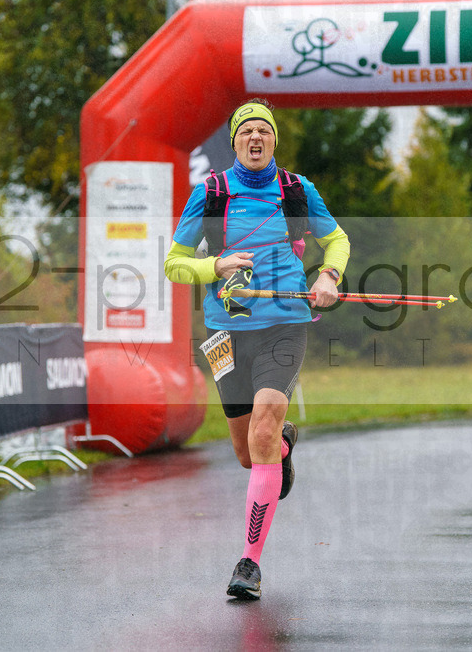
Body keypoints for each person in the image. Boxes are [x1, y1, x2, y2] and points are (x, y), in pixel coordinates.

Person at [164, 99, 350, 600]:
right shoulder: (211, 193)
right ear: (234, 141)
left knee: (262, 428)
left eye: (263, 131)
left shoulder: (295, 189)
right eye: (246, 131)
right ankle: (282, 448)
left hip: (285, 324)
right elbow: (174, 264)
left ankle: (249, 563)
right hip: (225, 333)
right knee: (249, 454)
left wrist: (329, 276)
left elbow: (337, 240)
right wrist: (216, 267)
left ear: (273, 140)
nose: (255, 138)